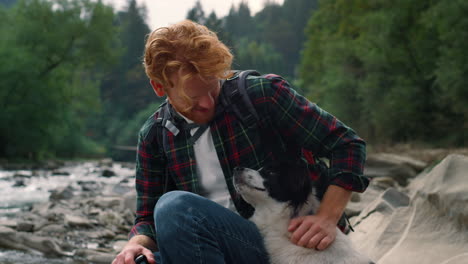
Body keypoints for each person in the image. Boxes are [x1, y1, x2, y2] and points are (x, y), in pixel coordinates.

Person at [112, 20, 369, 264]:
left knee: (175, 207)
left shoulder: (262, 95)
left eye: (212, 88)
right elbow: (146, 216)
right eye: (194, 97)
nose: (208, 103)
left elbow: (346, 144)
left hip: (289, 243)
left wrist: (327, 217)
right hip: (208, 249)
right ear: (159, 87)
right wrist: (135, 243)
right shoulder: (155, 135)